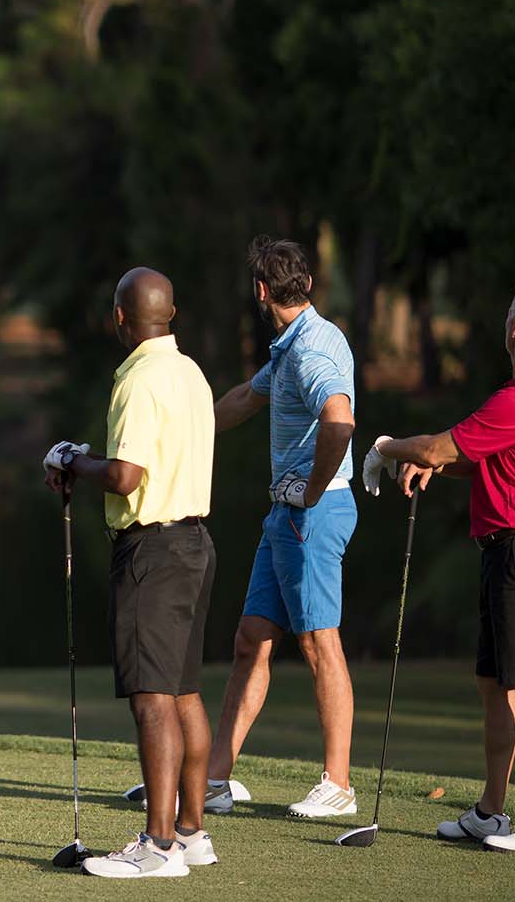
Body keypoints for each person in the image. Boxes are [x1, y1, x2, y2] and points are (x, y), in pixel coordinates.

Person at [364, 280, 515, 852]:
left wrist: (389, 448)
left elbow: (437, 448)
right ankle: (491, 811)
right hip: (510, 552)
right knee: (494, 684)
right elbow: (472, 458)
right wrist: (436, 463)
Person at [44, 267, 217, 879]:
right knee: (183, 690)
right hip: (195, 544)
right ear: (170, 313)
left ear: (120, 316)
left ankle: (159, 844)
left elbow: (127, 476)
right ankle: (192, 832)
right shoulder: (191, 371)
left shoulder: (140, 378)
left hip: (154, 551)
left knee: (151, 699)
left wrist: (73, 459)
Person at [199, 236, 361, 818]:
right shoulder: (294, 346)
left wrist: (312, 490)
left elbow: (338, 420)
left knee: (320, 644)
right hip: (285, 516)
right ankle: (214, 780)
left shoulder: (312, 350)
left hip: (310, 515)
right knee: (250, 642)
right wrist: (187, 433)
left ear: (261, 291)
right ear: (307, 285)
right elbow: (246, 397)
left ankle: (337, 784)